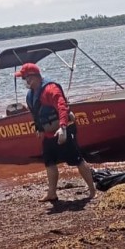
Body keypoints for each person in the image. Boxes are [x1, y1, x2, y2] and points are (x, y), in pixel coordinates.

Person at [15, 63, 96, 202]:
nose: (25, 81)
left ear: (34, 77)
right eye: (23, 79)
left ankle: (92, 190)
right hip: (48, 134)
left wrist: (63, 127)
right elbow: (35, 113)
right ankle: (52, 193)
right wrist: (39, 129)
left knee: (77, 159)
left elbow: (62, 107)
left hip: (63, 129)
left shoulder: (50, 89)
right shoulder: (31, 94)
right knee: (49, 162)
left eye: (26, 78)